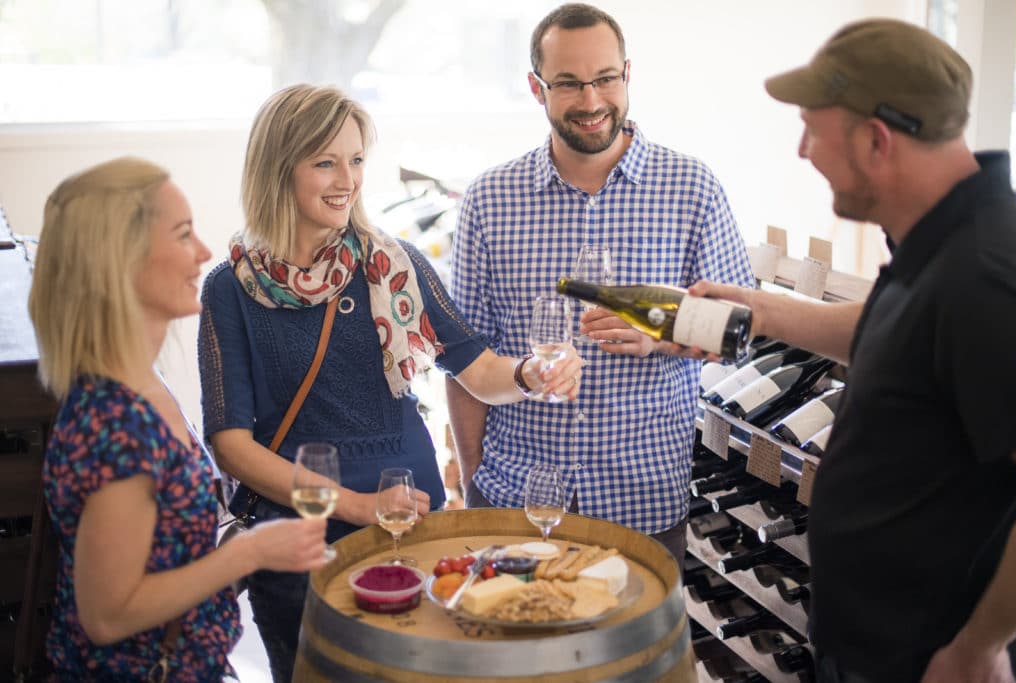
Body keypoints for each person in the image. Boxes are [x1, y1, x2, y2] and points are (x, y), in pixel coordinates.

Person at [198, 83, 583, 683]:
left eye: (355, 160)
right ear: (278, 170)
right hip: (297, 540)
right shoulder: (230, 288)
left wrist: (530, 374)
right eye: (325, 162)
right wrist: (354, 506)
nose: (346, 180)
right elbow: (231, 444)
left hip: (408, 517)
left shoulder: (393, 264)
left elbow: (477, 369)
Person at [682, 19, 1016, 683]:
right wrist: (750, 308)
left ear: (876, 140)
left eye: (814, 128)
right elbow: (890, 326)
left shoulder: (985, 273)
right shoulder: (942, 238)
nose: (803, 150)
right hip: (874, 645)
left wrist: (979, 645)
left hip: (931, 662)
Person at [446, 2, 754, 572]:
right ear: (537, 89)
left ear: (627, 76)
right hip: (516, 498)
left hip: (643, 502)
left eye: (605, 79)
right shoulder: (490, 200)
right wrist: (473, 485)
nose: (591, 102)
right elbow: (465, 360)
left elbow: (740, 333)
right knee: (516, 660)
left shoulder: (692, 188)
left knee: (633, 664)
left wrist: (660, 335)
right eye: (568, 83)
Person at [27, 157, 328, 682]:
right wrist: (249, 552)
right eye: (183, 234)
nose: (205, 251)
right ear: (120, 258)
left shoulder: (144, 383)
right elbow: (107, 615)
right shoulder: (115, 423)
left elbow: (165, 557)